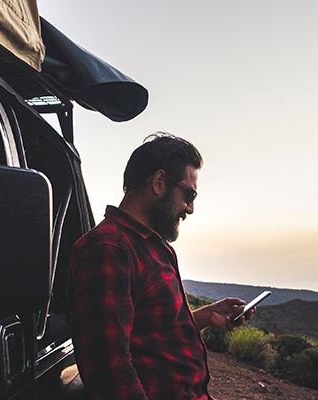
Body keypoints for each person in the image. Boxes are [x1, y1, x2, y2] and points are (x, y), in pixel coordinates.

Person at [68, 132, 253, 400]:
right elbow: (109, 372)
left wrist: (206, 316)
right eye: (189, 194)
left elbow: (149, 330)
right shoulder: (109, 248)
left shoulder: (154, 247)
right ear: (159, 182)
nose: (189, 208)